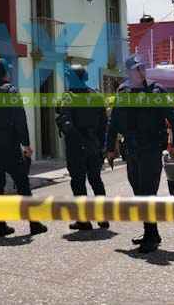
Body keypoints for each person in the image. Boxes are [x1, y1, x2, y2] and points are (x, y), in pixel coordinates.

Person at [106, 55, 174, 253]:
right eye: (137, 68)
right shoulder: (123, 91)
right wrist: (110, 148)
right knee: (139, 192)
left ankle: (151, 236)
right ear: (129, 71)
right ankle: (150, 232)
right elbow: (113, 121)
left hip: (150, 149)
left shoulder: (157, 91)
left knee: (148, 193)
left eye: (143, 67)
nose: (141, 71)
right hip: (131, 149)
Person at [0, 58, 47, 237]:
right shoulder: (12, 91)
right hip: (10, 147)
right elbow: (20, 120)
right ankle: (34, 224)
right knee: (22, 184)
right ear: (6, 73)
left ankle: (0, 226)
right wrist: (26, 144)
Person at [56, 64, 109, 231]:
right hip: (94, 146)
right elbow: (103, 126)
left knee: (78, 183)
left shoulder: (68, 97)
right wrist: (101, 146)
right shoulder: (96, 96)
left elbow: (67, 124)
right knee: (96, 180)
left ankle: (84, 220)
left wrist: (79, 140)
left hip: (77, 147)